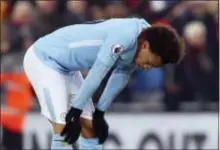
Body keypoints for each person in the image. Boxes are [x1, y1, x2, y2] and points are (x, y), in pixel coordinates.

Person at [23, 18, 184, 149]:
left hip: (67, 68)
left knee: (91, 130)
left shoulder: (146, 40)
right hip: (44, 59)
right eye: (149, 63)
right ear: (146, 46)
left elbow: (120, 76)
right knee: (63, 128)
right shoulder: (125, 36)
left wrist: (99, 112)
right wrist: (76, 111)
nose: (147, 67)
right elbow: (98, 73)